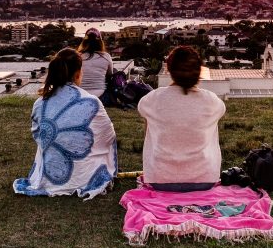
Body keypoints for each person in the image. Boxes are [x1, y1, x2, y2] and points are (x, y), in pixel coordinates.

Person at [14, 48, 118, 199]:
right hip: (84, 176)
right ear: (78, 73)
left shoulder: (40, 103)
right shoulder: (92, 102)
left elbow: (38, 135)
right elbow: (108, 136)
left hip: (50, 173)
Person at [138, 46, 226, 192]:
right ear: (199, 71)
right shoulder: (212, 101)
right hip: (204, 180)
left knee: (151, 119)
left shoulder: (152, 99)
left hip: (160, 180)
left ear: (169, 69)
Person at [77, 27, 113, 98]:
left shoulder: (77, 56)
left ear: (84, 42)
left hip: (80, 93)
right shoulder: (106, 56)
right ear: (100, 42)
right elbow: (110, 74)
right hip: (100, 94)